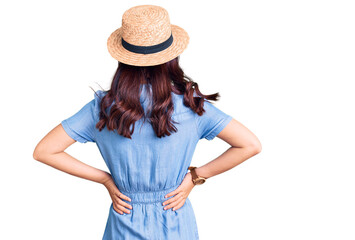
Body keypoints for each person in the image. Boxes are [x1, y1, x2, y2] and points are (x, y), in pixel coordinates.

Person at [33, 4, 262, 240]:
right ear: (171, 57)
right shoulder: (192, 106)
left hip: (125, 217)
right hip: (174, 217)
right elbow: (250, 145)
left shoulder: (103, 108)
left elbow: (44, 151)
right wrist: (195, 177)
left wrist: (106, 180)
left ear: (123, 58)